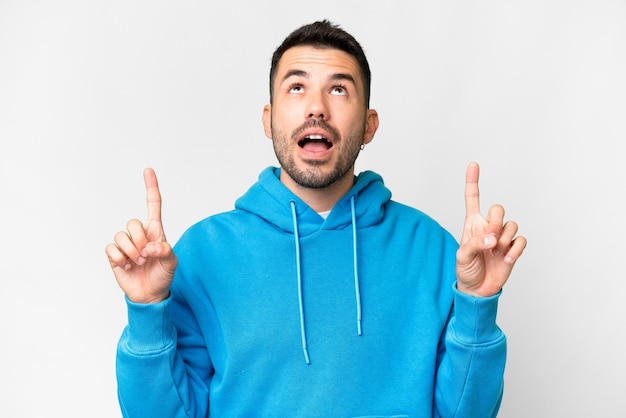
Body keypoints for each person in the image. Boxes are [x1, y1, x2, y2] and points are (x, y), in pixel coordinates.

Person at [106, 20, 527, 418]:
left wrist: (477, 302)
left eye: (339, 90)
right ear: (269, 120)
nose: (316, 108)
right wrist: (146, 311)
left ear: (368, 125)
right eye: (296, 87)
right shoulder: (202, 253)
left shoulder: (433, 249)